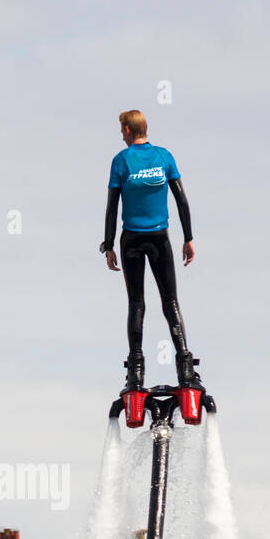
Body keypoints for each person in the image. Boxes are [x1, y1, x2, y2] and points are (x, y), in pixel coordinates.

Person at [100, 109, 198, 393]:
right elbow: (181, 200)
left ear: (128, 131)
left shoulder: (121, 161)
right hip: (159, 238)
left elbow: (112, 207)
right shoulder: (164, 156)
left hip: (130, 240)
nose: (121, 136)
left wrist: (108, 245)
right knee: (171, 303)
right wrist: (188, 238)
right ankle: (186, 368)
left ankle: (135, 374)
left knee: (137, 304)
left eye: (121, 131)